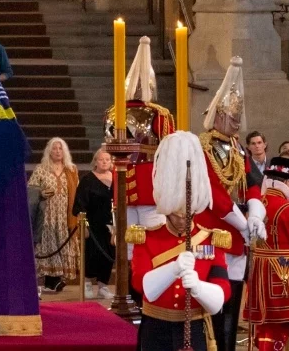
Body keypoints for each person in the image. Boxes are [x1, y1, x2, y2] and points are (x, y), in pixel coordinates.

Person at [131, 131, 231, 351]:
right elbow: (142, 285)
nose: (182, 219)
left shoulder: (210, 239)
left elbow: (222, 292)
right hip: (155, 329)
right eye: (176, 214)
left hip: (194, 327)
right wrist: (173, 269)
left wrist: (198, 288)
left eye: (187, 214)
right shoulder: (146, 238)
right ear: (166, 211)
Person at [193, 56, 264, 351]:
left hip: (239, 237)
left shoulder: (237, 148)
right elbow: (215, 196)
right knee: (214, 302)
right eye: (233, 118)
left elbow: (254, 182)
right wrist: (244, 222)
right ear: (218, 116)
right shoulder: (202, 147)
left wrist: (257, 213)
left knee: (233, 305)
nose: (237, 123)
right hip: (212, 236)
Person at [105, 36, 174, 306]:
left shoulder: (113, 112)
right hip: (148, 187)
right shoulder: (159, 115)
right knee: (150, 242)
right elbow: (168, 151)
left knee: (129, 247)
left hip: (124, 184)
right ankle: (140, 294)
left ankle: (133, 292)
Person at [244, 156, 289, 350]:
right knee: (282, 325)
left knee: (265, 326)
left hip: (260, 272)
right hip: (284, 275)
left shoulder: (258, 203)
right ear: (286, 182)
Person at [30, 137, 79, 292]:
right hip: (47, 212)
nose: (57, 151)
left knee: (63, 242)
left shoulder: (71, 169)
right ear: (49, 151)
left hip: (65, 213)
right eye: (54, 148)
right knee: (49, 243)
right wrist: (41, 192)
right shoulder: (41, 169)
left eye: (60, 148)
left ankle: (57, 278)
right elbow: (30, 188)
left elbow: (76, 190)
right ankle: (52, 279)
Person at [72, 148, 114, 300]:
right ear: (95, 161)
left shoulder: (115, 177)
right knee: (92, 255)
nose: (104, 162)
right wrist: (84, 224)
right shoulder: (87, 180)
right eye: (101, 159)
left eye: (108, 159)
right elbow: (79, 204)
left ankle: (103, 286)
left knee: (109, 254)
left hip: (111, 224)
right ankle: (88, 284)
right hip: (92, 225)